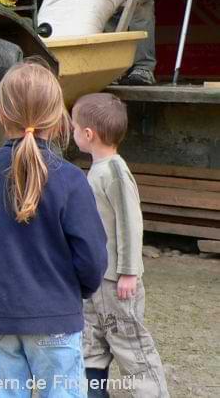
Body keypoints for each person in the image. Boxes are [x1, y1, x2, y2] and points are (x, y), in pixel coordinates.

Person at [0, 60, 107, 397]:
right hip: (55, 316)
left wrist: (1, 274)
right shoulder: (70, 180)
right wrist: (70, 291)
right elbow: (92, 260)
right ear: (57, 118)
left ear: (0, 113)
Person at [71, 93, 169, 397]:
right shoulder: (97, 170)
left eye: (74, 127)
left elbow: (130, 222)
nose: (72, 132)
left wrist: (129, 271)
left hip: (117, 284)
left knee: (132, 349)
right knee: (91, 346)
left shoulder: (114, 172)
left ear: (88, 135)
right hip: (95, 282)